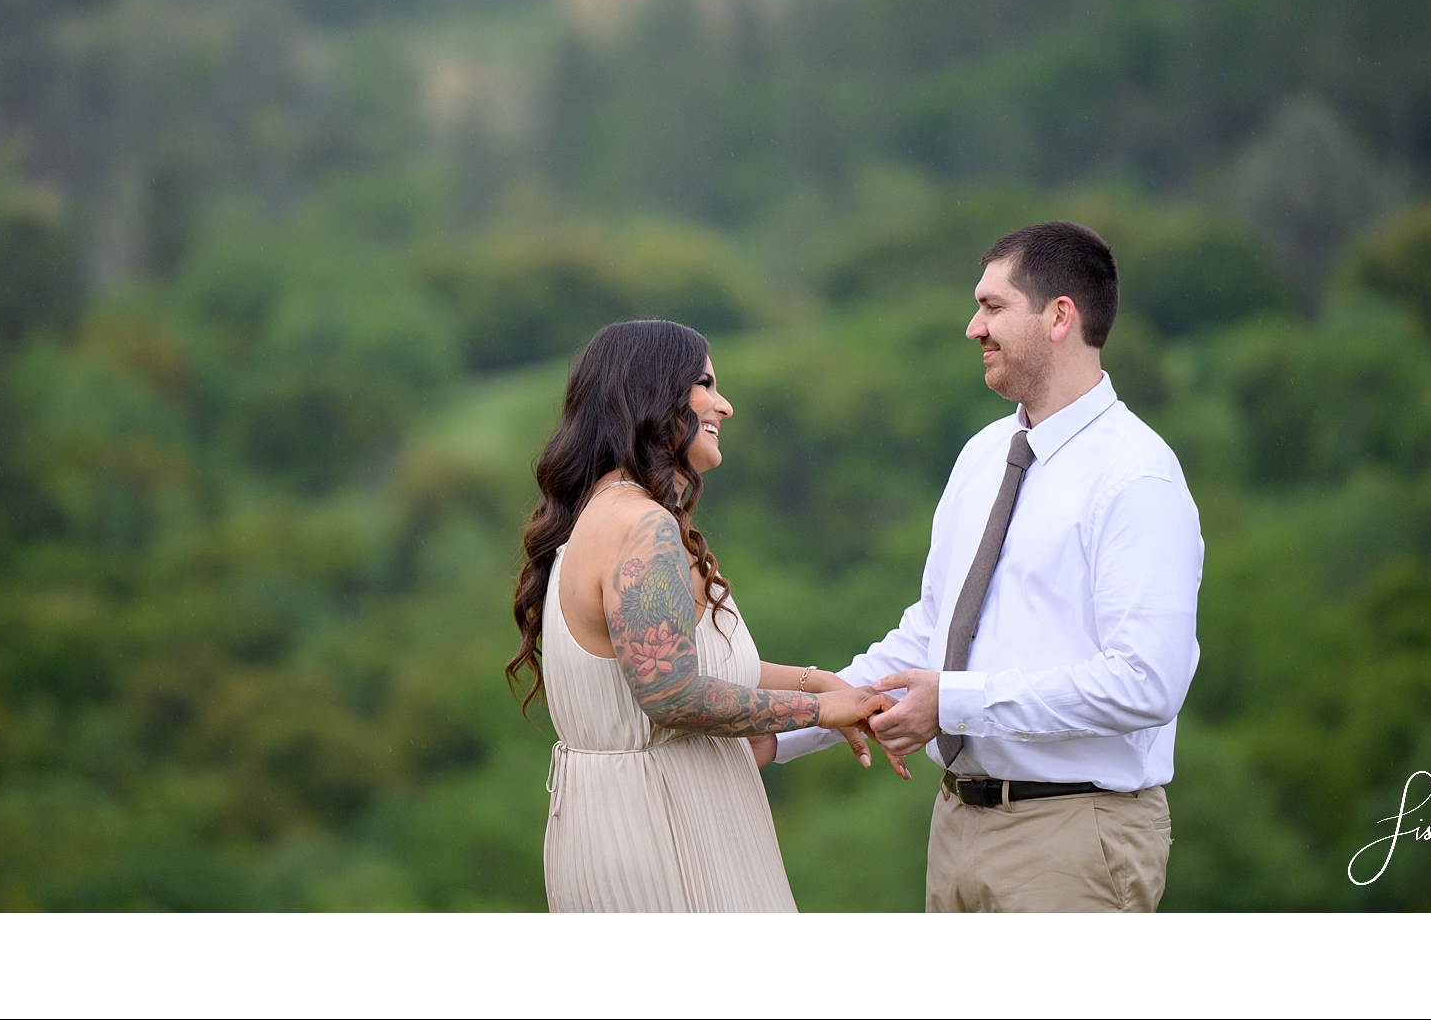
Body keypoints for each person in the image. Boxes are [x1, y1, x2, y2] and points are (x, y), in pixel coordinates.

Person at [766, 221, 1205, 912]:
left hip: (1074, 838)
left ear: (1060, 315)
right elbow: (930, 635)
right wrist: (787, 727)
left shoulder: (1136, 476)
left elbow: (1147, 682)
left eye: (993, 306)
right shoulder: (981, 455)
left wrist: (958, 700)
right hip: (955, 828)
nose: (973, 327)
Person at [507, 318, 894, 912]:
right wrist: (818, 710)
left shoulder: (604, 515)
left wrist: (819, 680)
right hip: (664, 827)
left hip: (621, 820)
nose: (726, 405)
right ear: (653, 394)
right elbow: (670, 693)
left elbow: (687, 663)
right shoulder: (640, 526)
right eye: (706, 384)